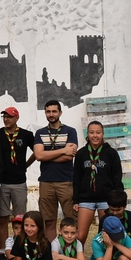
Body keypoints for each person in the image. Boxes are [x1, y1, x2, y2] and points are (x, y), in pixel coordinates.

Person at [0, 106, 36, 260]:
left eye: (9, 116)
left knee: (20, 219)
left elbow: (37, 151)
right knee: (3, 218)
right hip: (2, 183)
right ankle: (3, 251)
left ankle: (19, 250)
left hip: (19, 182)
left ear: (17, 118)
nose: (6, 119)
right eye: (4, 116)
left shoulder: (26, 135)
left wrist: (25, 165)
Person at [33, 100, 79, 240]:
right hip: (46, 182)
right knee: (49, 221)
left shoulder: (70, 131)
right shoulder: (40, 133)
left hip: (66, 182)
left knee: (71, 220)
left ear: (60, 112)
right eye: (48, 111)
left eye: (54, 111)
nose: (51, 114)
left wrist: (47, 156)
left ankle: (70, 252)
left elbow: (69, 156)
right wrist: (63, 150)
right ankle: (51, 252)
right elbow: (38, 155)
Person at [73, 120, 123, 246]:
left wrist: (117, 200)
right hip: (86, 199)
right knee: (80, 235)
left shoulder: (111, 153)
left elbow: (117, 178)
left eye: (98, 132)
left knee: (106, 233)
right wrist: (75, 200)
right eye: (91, 132)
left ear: (103, 134)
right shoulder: (81, 154)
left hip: (106, 200)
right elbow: (77, 178)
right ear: (87, 134)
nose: (95, 135)